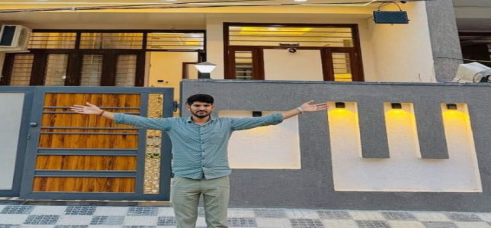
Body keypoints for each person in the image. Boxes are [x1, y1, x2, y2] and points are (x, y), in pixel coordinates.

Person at [71, 93, 328, 228]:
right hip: (184, 180)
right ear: (189, 107)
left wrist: (299, 110)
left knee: (218, 223)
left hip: (217, 180)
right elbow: (139, 120)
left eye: (205, 105)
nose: (201, 108)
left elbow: (264, 120)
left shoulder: (227, 124)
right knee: (184, 222)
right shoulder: (172, 124)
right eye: (197, 105)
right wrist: (102, 113)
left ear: (212, 108)